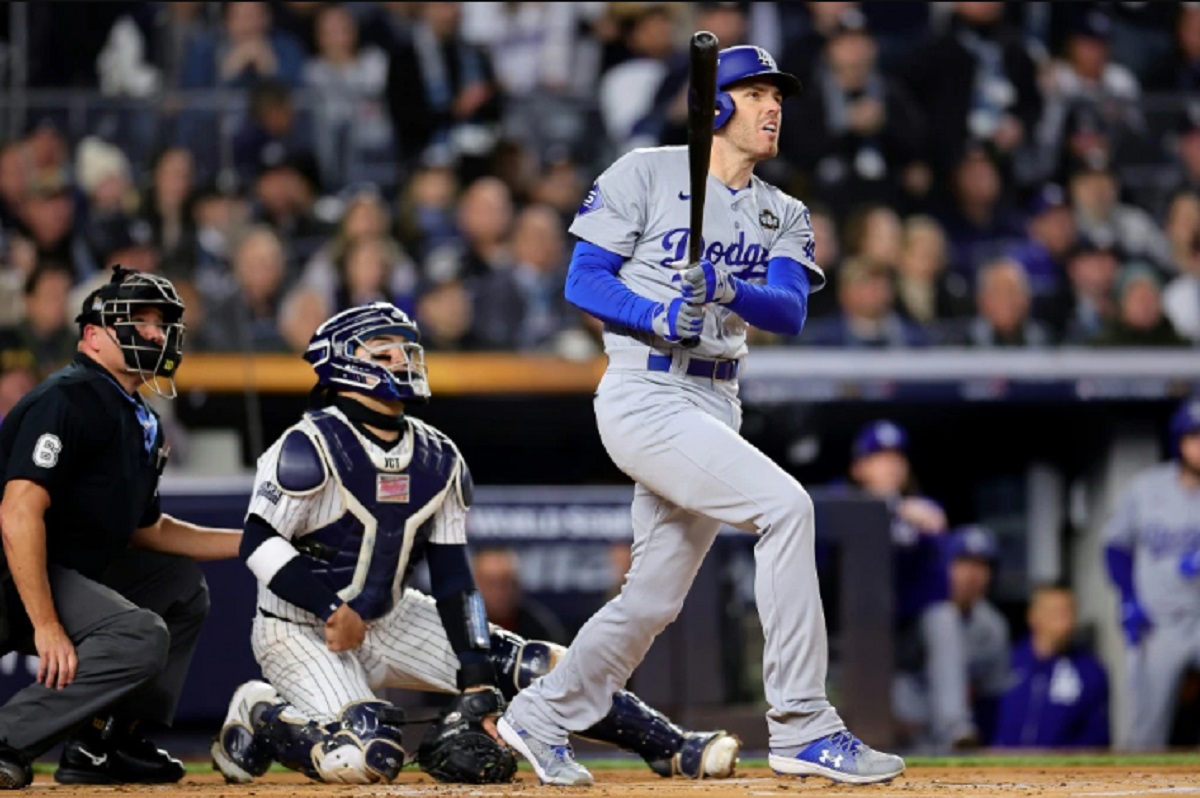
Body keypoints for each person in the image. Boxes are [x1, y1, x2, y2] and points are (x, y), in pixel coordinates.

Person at [497, 45, 905, 786]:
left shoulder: (783, 210)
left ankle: (540, 715)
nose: (772, 106)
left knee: (652, 598)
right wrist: (658, 311)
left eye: (776, 94)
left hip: (716, 397)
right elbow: (583, 282)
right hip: (644, 390)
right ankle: (803, 724)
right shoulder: (644, 172)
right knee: (787, 509)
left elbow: (787, 310)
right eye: (753, 93)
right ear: (713, 107)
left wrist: (720, 286)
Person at [210, 302, 741, 786]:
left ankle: (671, 746)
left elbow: (452, 575)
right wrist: (329, 608)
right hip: (299, 628)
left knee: (540, 666)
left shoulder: (438, 454)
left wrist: (476, 676)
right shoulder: (307, 445)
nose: (404, 360)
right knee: (364, 757)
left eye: (407, 349)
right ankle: (262, 711)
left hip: (390, 616)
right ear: (345, 363)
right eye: (386, 351)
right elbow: (258, 540)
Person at [0, 265, 241, 788]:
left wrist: (253, 541)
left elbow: (147, 529)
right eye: (139, 321)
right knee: (137, 635)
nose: (155, 334)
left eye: (160, 324)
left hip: (58, 566)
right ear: (92, 336)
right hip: (12, 569)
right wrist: (46, 625)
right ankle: (7, 737)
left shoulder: (137, 415)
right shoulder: (67, 397)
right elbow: (18, 511)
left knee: (179, 586)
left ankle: (105, 741)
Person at [842, 420, 975, 753]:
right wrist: (892, 509)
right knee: (905, 715)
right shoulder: (840, 504)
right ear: (859, 468)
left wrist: (920, 527)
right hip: (856, 644)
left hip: (906, 638)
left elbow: (937, 590)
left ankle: (955, 725)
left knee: (943, 616)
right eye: (880, 457)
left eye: (896, 456)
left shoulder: (925, 516)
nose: (891, 464)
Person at [1104, 397, 1200, 750]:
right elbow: (1115, 547)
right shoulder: (1146, 489)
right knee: (1146, 727)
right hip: (1159, 619)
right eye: (1194, 437)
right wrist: (1129, 600)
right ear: (1179, 441)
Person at [992, 583, 1110, 748]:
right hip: (1002, 768)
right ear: (1032, 616)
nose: (1064, 621)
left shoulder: (1090, 671)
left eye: (1069, 612)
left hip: (1062, 770)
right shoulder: (1007, 662)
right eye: (1055, 613)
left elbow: (1098, 738)